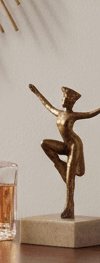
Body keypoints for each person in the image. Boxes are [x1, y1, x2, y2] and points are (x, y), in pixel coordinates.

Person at [29, 84, 100, 219]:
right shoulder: (59, 113)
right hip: (66, 145)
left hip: (74, 145)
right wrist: (36, 92)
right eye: (63, 98)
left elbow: (90, 114)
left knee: (70, 176)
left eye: (66, 99)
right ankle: (59, 164)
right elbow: (47, 105)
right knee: (44, 144)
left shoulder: (73, 115)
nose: (63, 100)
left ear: (71, 102)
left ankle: (69, 207)